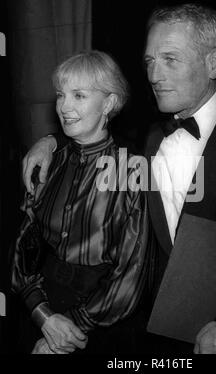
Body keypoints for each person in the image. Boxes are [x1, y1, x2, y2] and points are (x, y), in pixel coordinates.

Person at [21, 3, 216, 354]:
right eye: (150, 62)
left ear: (213, 62)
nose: (154, 75)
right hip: (149, 338)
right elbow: (92, 138)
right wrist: (49, 143)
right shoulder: (147, 138)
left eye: (170, 59)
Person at [11, 50, 152, 354]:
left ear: (110, 103)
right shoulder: (47, 162)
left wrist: (70, 328)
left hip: (99, 326)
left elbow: (132, 271)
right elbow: (22, 244)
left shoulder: (131, 170)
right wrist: (43, 315)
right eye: (61, 95)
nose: (64, 106)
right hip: (37, 308)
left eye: (79, 95)